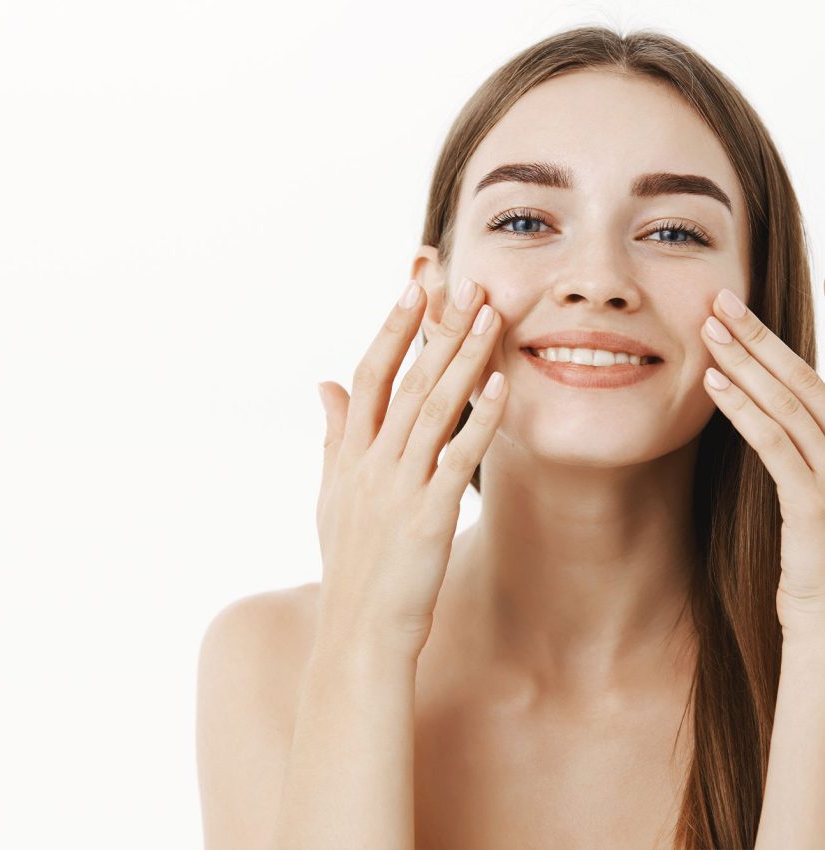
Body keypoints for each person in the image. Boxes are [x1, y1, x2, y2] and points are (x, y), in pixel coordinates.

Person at [196, 25, 823, 850]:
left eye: (674, 232)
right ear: (432, 294)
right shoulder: (271, 658)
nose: (597, 282)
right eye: (527, 220)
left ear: (759, 301)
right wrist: (366, 639)